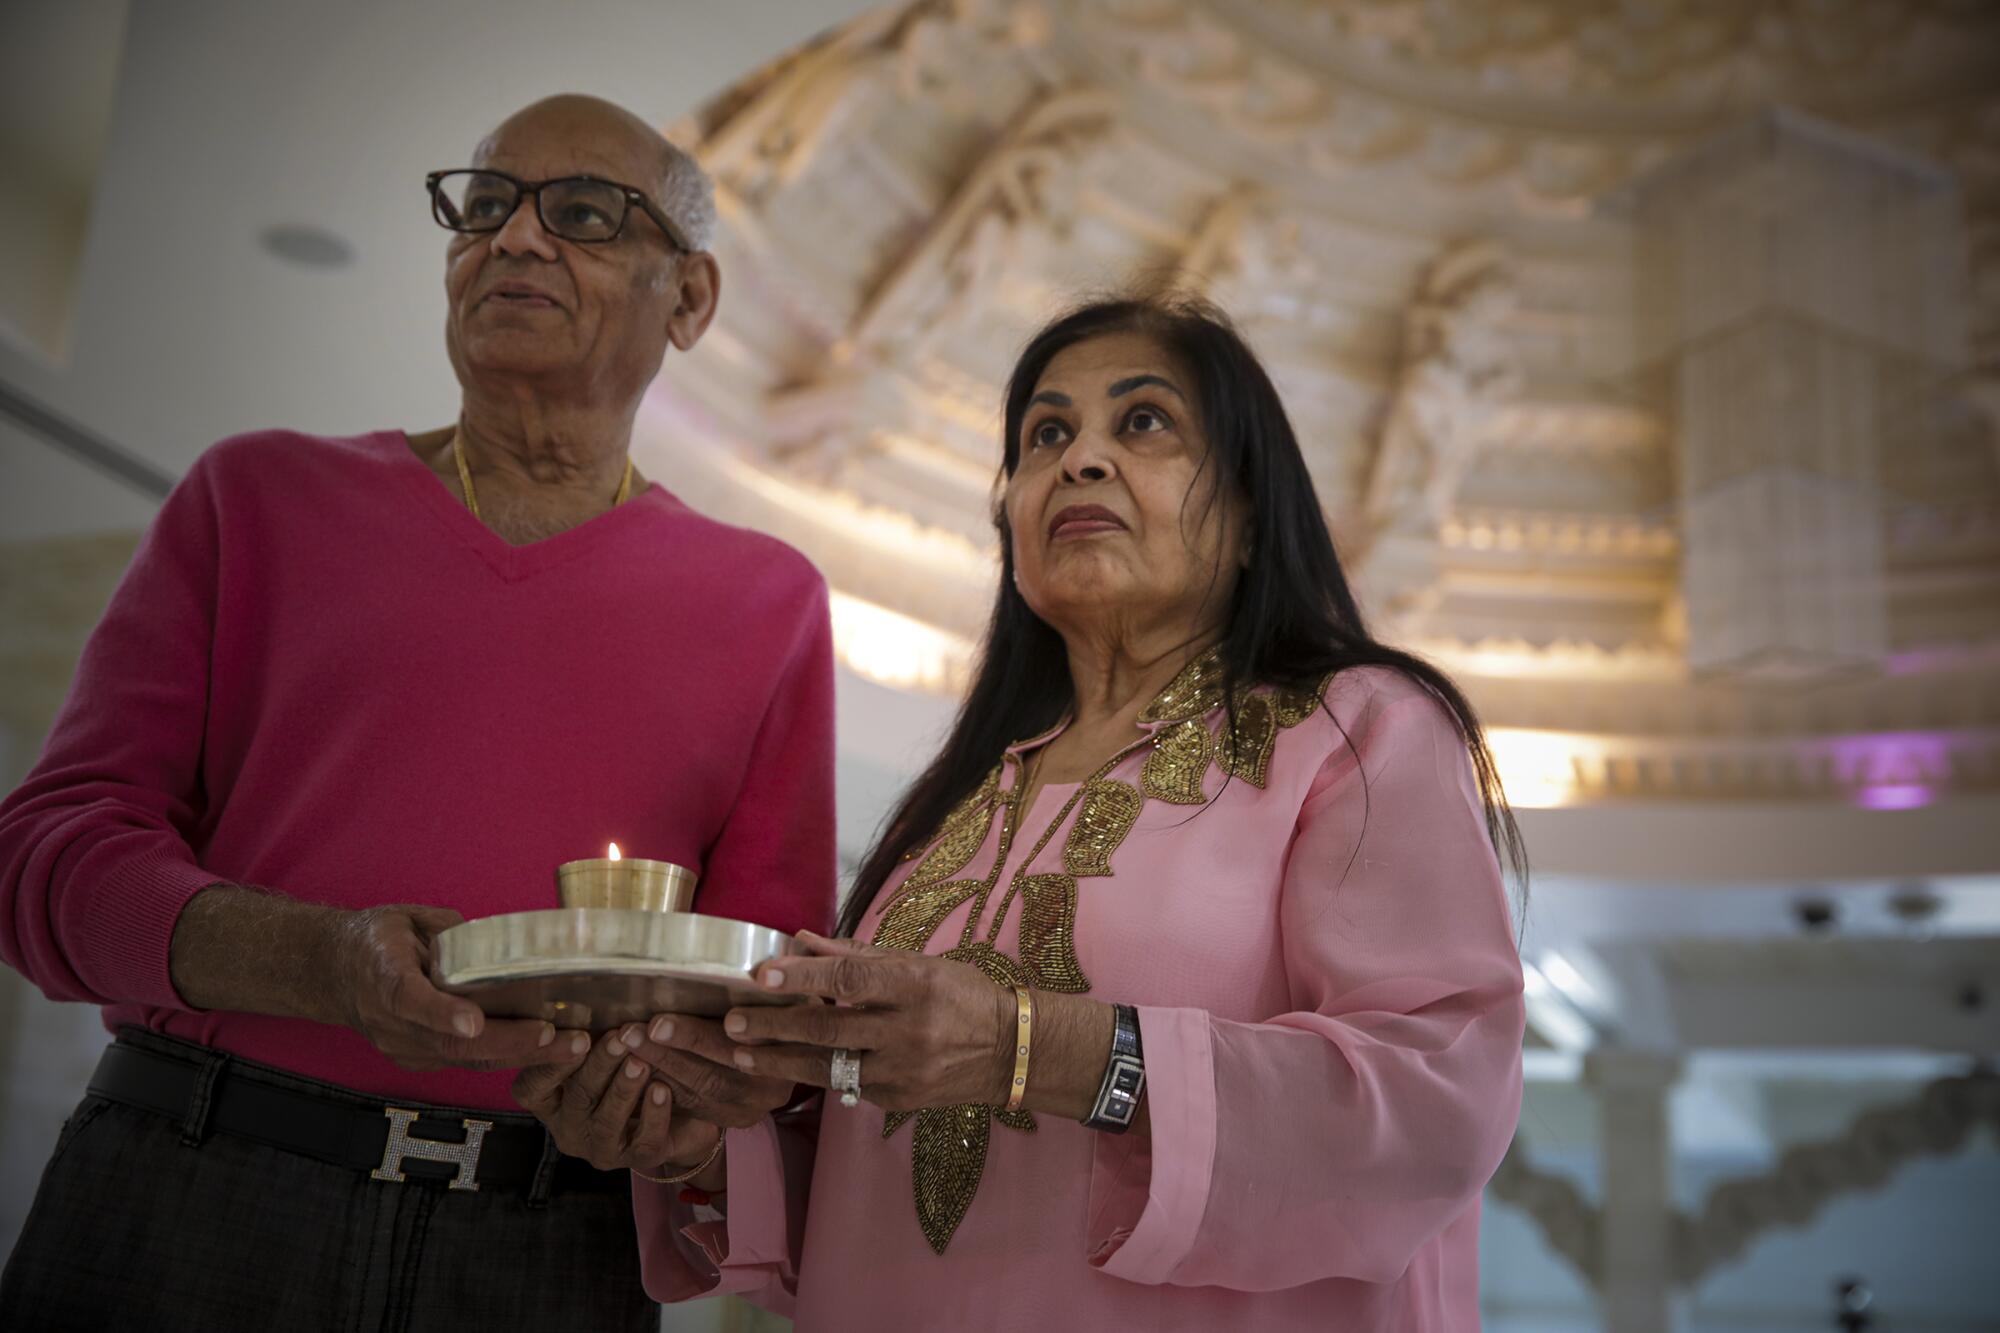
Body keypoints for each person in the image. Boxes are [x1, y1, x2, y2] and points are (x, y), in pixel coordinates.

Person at [523, 294, 1529, 1330]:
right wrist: (693, 1132)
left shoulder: (1358, 732)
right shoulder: (956, 807)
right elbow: (865, 1184)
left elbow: (1432, 1104)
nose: (1078, 460)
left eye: (1141, 422)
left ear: (1246, 513)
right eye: (1045, 435)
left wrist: (1031, 1047)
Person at [0, 94, 834, 1332]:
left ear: (691, 299)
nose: (515, 240)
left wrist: (669, 1119)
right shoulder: (256, 496)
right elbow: (42, 866)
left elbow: (762, 1019)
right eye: (485, 204)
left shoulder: (771, 603)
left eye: (585, 213)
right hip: (187, 1186)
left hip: (544, 1246)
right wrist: (327, 965)